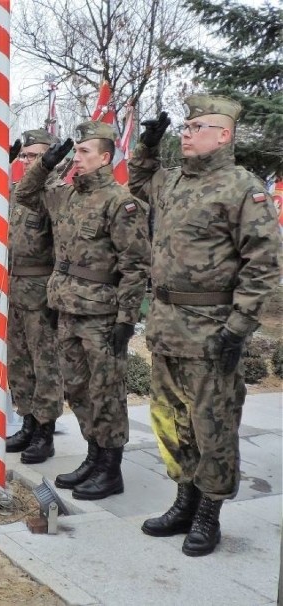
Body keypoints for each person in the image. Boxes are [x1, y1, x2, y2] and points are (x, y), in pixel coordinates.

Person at [128, 95, 280, 556]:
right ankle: (184, 499)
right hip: (168, 325)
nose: (186, 133)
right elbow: (139, 181)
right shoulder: (173, 181)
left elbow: (265, 264)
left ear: (224, 135)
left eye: (196, 126)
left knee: (212, 426)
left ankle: (209, 512)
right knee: (172, 422)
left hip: (212, 330)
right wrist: (148, 146)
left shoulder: (241, 188)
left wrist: (237, 328)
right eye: (185, 126)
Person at [15, 121, 151, 500]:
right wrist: (44, 165)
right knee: (78, 389)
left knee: (106, 391)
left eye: (85, 151)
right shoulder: (67, 195)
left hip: (102, 312)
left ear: (105, 157)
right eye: (76, 151)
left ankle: (111, 467)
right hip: (68, 306)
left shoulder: (120, 202)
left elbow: (135, 265)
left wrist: (127, 318)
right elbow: (25, 194)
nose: (78, 157)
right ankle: (94, 456)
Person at [0, 130, 64, 464]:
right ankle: (27, 421)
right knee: (19, 361)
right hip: (13, 286)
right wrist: (1, 161)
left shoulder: (56, 194)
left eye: (34, 156)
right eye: (24, 156)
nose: (28, 162)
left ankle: (45, 431)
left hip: (42, 287)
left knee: (46, 363)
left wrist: (56, 296)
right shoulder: (16, 191)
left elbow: (64, 249)